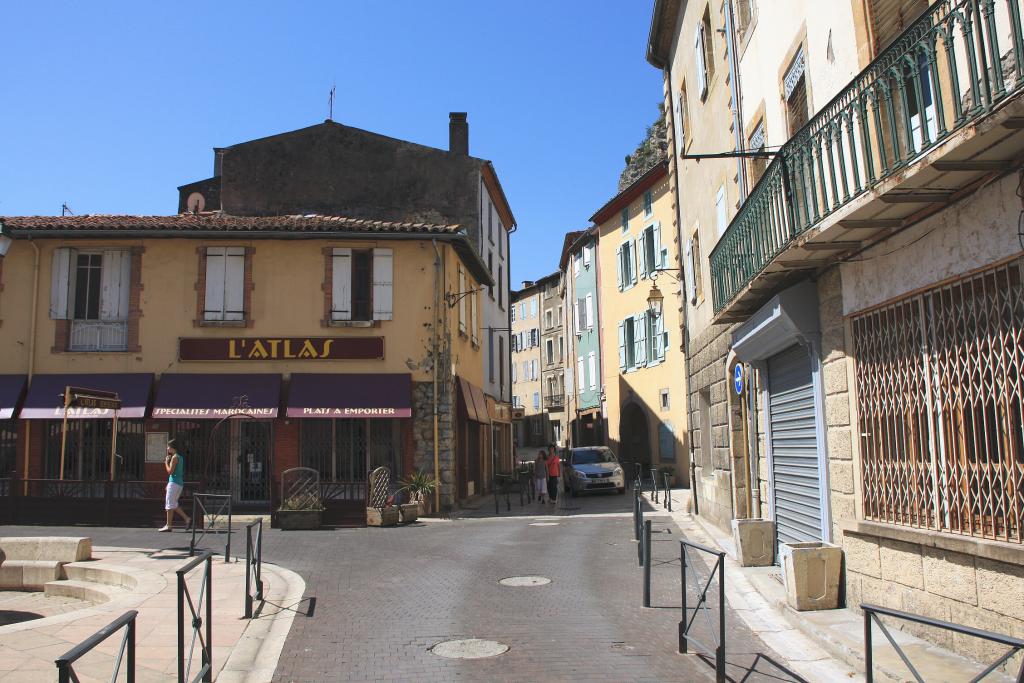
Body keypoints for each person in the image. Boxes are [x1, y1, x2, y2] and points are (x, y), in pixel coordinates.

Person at [160, 440, 192, 532]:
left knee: (169, 504)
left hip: (174, 483)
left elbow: (170, 472)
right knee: (173, 504)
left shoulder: (174, 458)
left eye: (168, 446)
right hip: (178, 483)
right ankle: (186, 519)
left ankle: (169, 525)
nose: (167, 448)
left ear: (172, 448)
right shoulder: (180, 457)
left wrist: (166, 462)